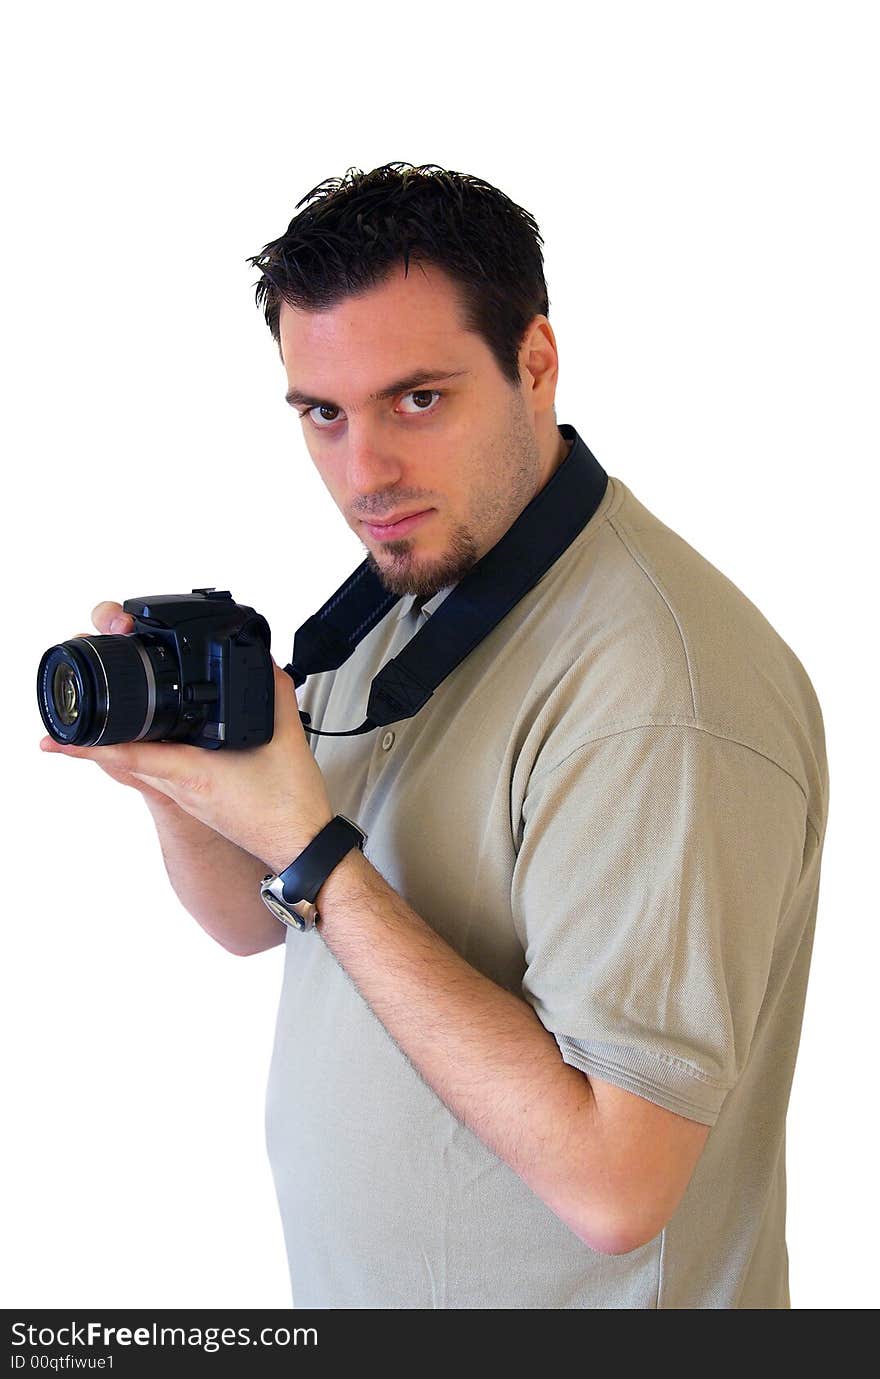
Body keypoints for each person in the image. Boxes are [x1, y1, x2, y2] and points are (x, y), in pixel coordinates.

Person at [54, 162, 829, 1309]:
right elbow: (250, 924)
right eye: (324, 413)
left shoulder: (659, 693)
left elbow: (617, 1186)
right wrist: (172, 783)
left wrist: (316, 851)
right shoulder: (420, 591)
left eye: (417, 399)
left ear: (533, 364)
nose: (364, 473)